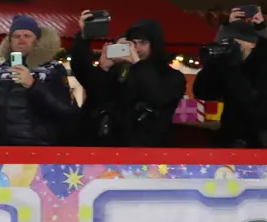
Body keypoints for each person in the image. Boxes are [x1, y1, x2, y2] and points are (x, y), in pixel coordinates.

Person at [70, 14, 185, 147]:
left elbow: (157, 96)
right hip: (109, 148)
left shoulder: (171, 76)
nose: (136, 48)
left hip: (149, 151)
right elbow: (89, 82)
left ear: (154, 45)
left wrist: (137, 63)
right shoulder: (119, 71)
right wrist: (101, 65)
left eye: (143, 43)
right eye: (133, 43)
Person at [0, 15, 77, 146]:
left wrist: (34, 85)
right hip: (2, 149)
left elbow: (65, 110)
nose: (21, 40)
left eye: (27, 36)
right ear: (9, 41)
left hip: (40, 150)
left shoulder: (52, 69)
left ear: (37, 40)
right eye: (16, 36)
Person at [192, 20, 267, 148]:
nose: (228, 45)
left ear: (252, 43)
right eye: (225, 41)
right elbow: (202, 92)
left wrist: (235, 71)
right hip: (231, 139)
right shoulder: (227, 64)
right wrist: (211, 65)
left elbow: (266, 114)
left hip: (265, 143)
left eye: (233, 41)